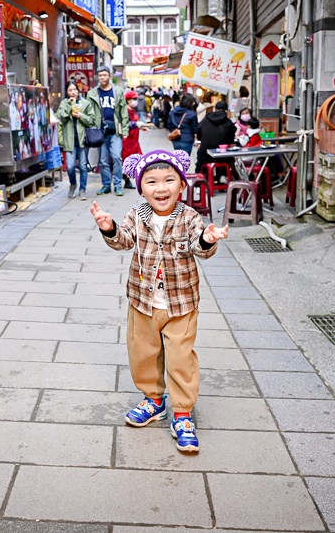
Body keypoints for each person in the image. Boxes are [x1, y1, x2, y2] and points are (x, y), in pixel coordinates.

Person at [89, 149, 229, 452]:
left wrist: (208, 238)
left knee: (181, 358)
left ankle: (181, 412)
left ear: (181, 184)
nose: (161, 188)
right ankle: (153, 400)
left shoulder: (190, 217)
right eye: (151, 182)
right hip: (143, 301)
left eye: (169, 180)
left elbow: (198, 247)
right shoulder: (136, 216)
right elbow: (123, 240)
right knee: (143, 352)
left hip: (181, 304)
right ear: (141, 188)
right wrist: (108, 227)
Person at [87, 67, 129, 196]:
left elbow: (123, 111)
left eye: (104, 75)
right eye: (100, 75)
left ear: (109, 76)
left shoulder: (117, 92)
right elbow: (89, 112)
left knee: (116, 157)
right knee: (103, 160)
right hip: (100, 132)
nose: (102, 78)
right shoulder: (93, 93)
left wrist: (125, 129)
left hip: (115, 130)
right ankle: (106, 185)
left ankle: (117, 185)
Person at [57, 83, 96, 200]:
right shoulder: (64, 103)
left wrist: (81, 116)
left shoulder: (85, 103)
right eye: (70, 90)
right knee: (70, 166)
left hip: (82, 140)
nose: (73, 92)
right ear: (67, 92)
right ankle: (73, 184)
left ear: (78, 91)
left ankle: (82, 190)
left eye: (75, 89)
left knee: (83, 166)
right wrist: (69, 107)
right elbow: (60, 116)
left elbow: (91, 120)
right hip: (69, 140)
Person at [195, 100, 237, 173]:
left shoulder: (206, 119)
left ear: (215, 108)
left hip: (205, 155)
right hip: (222, 156)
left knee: (199, 163)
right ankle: (223, 175)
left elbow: (199, 133)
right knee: (230, 160)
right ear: (226, 111)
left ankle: (199, 179)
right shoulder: (228, 122)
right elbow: (231, 139)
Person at [122, 90, 146, 188]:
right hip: (127, 140)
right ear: (128, 100)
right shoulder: (125, 111)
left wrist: (140, 126)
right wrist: (136, 124)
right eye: (134, 99)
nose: (136, 101)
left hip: (134, 140)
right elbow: (125, 124)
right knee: (128, 160)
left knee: (138, 159)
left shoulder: (133, 110)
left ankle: (131, 179)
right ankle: (127, 179)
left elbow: (135, 123)